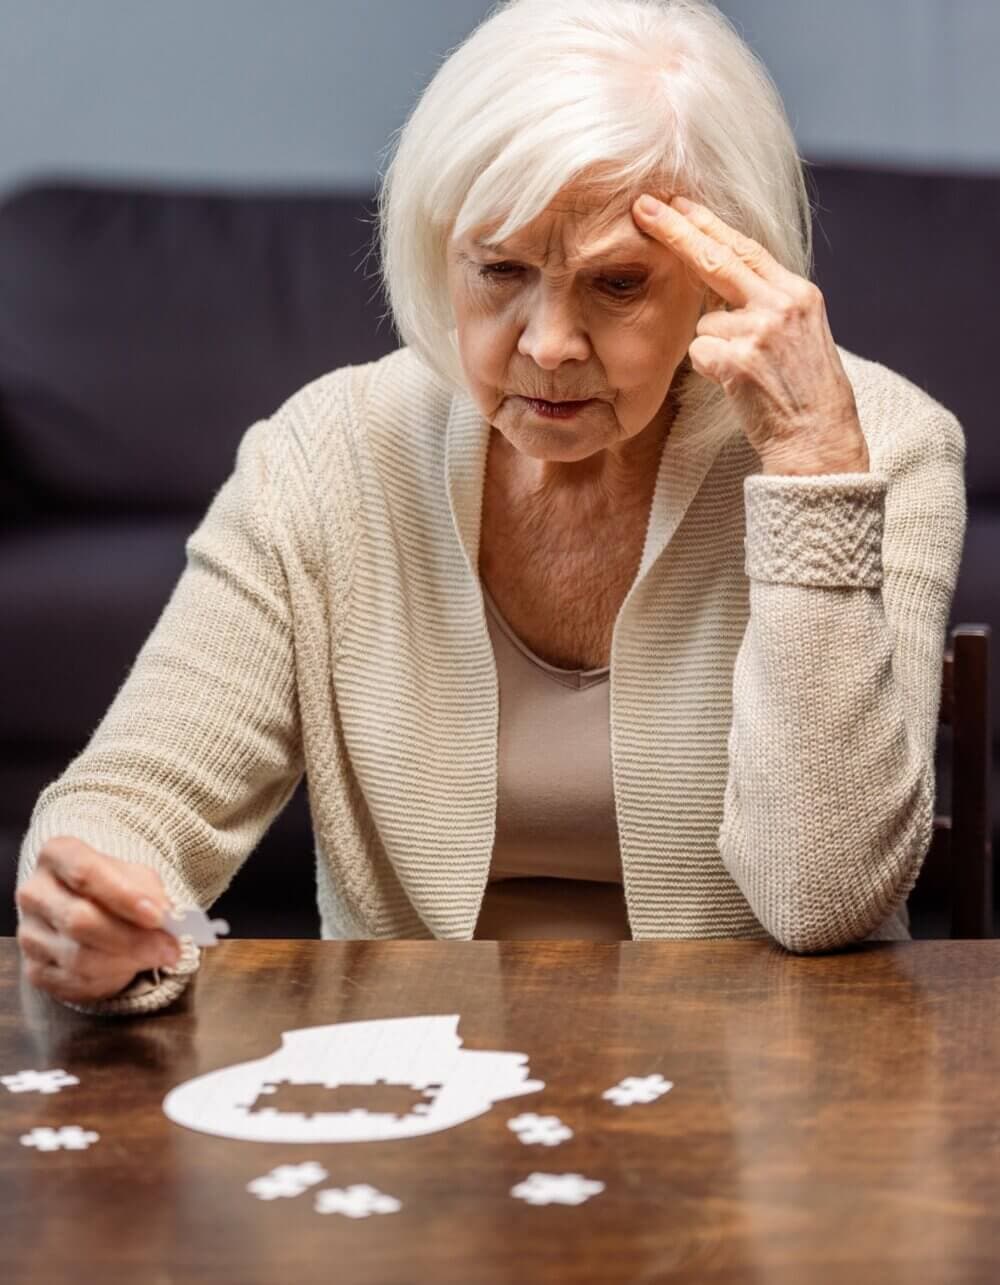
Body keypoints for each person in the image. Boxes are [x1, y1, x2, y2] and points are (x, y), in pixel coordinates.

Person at [13, 0, 966, 1016]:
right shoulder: (325, 452)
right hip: (412, 1095)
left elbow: (825, 901)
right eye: (501, 269)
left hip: (763, 1092)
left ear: (721, 276)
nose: (549, 342)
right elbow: (132, 795)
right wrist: (96, 904)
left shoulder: (880, 445)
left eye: (617, 283)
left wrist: (812, 473)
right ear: (440, 251)